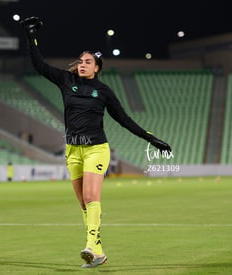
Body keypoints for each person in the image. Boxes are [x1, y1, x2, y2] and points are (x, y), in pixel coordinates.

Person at [20, 17, 172, 268]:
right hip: (73, 150)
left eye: (87, 62)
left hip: (96, 150)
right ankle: (99, 253)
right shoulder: (66, 81)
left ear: (97, 68)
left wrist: (151, 138)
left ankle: (90, 246)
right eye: (80, 61)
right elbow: (39, 65)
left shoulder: (103, 92)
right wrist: (30, 37)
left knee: (91, 196)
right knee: (83, 202)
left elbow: (124, 120)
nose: (82, 64)